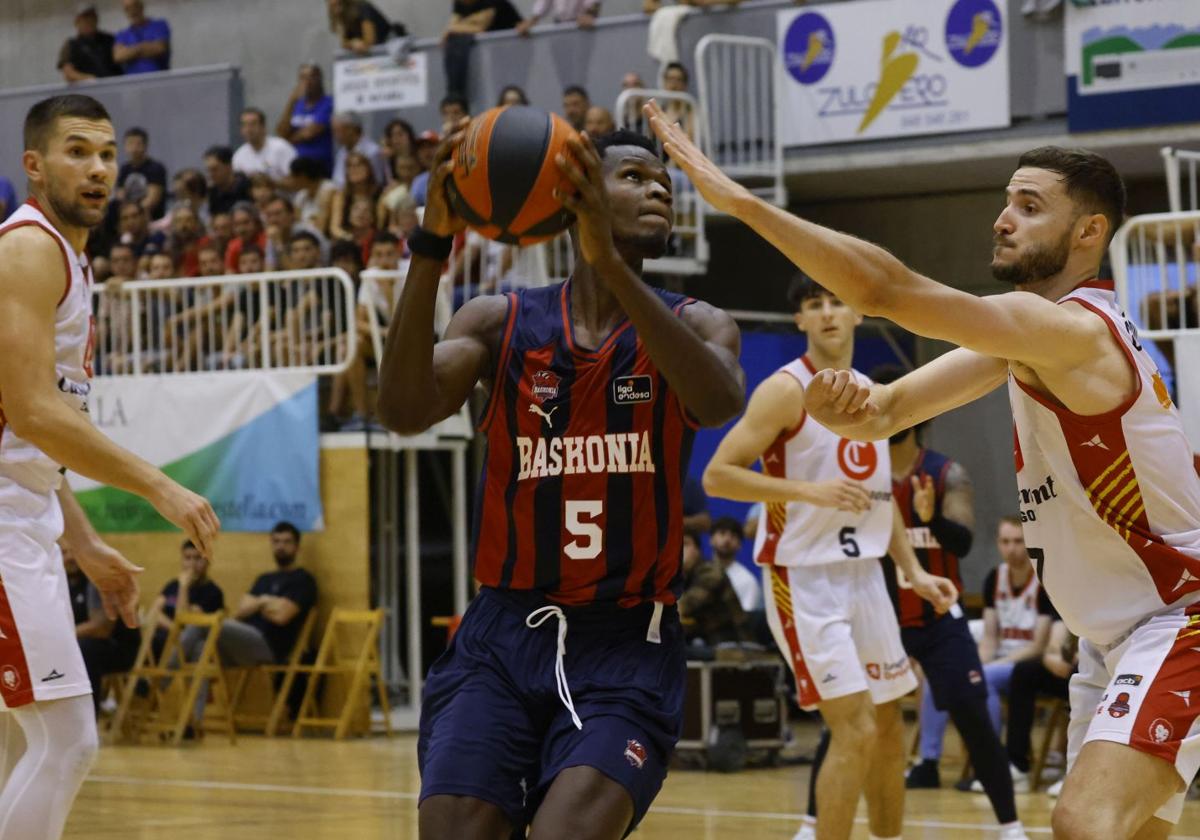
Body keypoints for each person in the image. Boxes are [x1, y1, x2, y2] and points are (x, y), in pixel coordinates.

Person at [650, 102, 1200, 837]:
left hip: (1178, 617)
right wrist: (840, 402)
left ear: (1088, 233)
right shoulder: (1029, 342)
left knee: (1083, 823)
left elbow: (886, 292)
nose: (1003, 219)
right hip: (1113, 634)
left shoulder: (1071, 330)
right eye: (1005, 202)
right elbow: (881, 415)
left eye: (1029, 207)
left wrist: (743, 205)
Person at [378, 126, 745, 839]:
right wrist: (432, 242)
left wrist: (608, 264)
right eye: (635, 176)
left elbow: (718, 402)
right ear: (572, 194)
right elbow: (403, 411)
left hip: (626, 644)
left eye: (663, 181)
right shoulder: (499, 322)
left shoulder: (697, 324)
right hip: (503, 636)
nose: (658, 188)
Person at [0, 93, 218, 840]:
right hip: (1, 527)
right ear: (35, 164)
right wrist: (159, 484)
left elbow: (28, 442)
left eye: (105, 153)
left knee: (18, 749)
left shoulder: (66, 258)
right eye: (76, 152)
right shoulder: (28, 249)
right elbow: (31, 412)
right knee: (67, 743)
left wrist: (85, 544)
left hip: (22, 514)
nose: (97, 169)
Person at [701, 272, 957, 840]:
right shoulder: (784, 390)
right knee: (856, 729)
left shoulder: (871, 393)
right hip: (803, 577)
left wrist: (912, 571)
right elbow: (719, 475)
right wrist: (806, 491)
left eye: (837, 302)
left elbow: (881, 496)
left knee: (891, 725)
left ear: (857, 314)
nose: (828, 313)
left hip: (866, 576)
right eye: (815, 305)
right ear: (801, 320)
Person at [70, 542, 142, 715]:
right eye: (63, 553)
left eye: (71, 552)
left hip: (119, 648)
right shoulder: (60, 580)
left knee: (85, 650)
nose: (67, 558)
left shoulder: (95, 579)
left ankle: (90, 718)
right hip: (85, 645)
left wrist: (63, 637)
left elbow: (101, 628)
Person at [1005, 619, 1077, 789]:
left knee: (1082, 674)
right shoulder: (1070, 598)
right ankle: (1017, 765)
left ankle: (1075, 774)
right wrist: (1051, 656)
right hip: (1071, 667)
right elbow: (1056, 638)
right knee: (1024, 671)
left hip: (1104, 667)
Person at [149, 540, 225, 661]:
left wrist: (183, 587)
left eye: (197, 558)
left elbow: (184, 619)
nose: (192, 564)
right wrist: (174, 628)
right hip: (166, 638)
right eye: (187, 558)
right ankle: (143, 679)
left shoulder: (213, 592)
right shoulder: (172, 585)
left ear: (207, 561)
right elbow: (153, 613)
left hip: (190, 645)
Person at [678, 531, 747, 649]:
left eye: (685, 544)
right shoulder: (682, 576)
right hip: (703, 639)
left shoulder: (711, 571)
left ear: (697, 550)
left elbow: (685, 605)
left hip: (733, 642)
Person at [442, 0, 522, 98]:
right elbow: (453, 23)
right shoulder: (459, 4)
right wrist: (454, 28)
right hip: (491, 54)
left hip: (512, 50)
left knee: (508, 86)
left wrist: (453, 29)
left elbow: (480, 28)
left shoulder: (493, 3)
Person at [276, 64, 335, 175]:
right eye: (302, 78)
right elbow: (281, 132)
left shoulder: (329, 102)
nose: (307, 82)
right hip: (295, 164)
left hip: (319, 166)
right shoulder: (297, 105)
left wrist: (286, 141)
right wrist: (292, 101)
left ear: (320, 79)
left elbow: (309, 133)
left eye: (311, 77)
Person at [57, 3, 122, 83]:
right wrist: (89, 79)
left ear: (96, 19)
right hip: (88, 92)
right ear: (77, 22)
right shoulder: (70, 45)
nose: (89, 21)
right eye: (85, 18)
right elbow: (68, 73)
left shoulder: (110, 39)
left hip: (115, 88)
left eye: (92, 17)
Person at [708, 516, 760, 613]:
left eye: (733, 536)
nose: (727, 539)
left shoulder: (748, 581)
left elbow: (746, 619)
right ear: (711, 540)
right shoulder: (697, 573)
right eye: (722, 533)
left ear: (740, 545)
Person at [233, 107, 297, 182]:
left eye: (253, 124)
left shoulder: (281, 147)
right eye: (244, 125)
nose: (249, 129)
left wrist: (270, 182)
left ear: (263, 127)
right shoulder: (239, 155)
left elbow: (296, 180)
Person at [116, 126, 167, 219]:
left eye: (138, 144)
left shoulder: (156, 168)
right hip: (129, 218)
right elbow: (120, 197)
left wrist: (134, 214)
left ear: (145, 146)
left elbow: (152, 200)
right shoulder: (124, 169)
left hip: (152, 219)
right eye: (130, 144)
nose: (134, 148)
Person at [112, 0, 170, 75]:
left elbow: (160, 48)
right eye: (127, 8)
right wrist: (143, 47)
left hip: (159, 78)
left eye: (134, 6)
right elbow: (118, 56)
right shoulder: (122, 34)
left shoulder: (159, 25)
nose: (132, 11)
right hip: (133, 82)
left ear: (141, 6)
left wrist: (129, 51)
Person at [331, 111, 389, 187]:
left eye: (337, 131)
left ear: (351, 130)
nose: (335, 136)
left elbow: (377, 183)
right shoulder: (341, 153)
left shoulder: (372, 152)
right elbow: (337, 181)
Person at [287, 155, 336, 236]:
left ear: (302, 176)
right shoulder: (300, 195)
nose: (290, 180)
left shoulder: (328, 189)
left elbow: (322, 227)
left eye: (292, 176)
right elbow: (297, 222)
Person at [328, 0, 395, 54]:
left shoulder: (362, 7)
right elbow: (344, 43)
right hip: (377, 50)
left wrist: (354, 43)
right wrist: (353, 43)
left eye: (337, 5)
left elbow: (369, 41)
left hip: (390, 45)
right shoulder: (344, 15)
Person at [204, 146, 252, 217]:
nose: (211, 175)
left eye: (215, 169)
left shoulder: (248, 188)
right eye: (208, 170)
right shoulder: (212, 193)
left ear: (229, 166)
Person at [516, 0, 601, 34]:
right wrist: (531, 22)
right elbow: (543, 3)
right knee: (562, 68)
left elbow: (594, 3)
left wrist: (590, 14)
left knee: (581, 66)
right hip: (559, 26)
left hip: (582, 26)